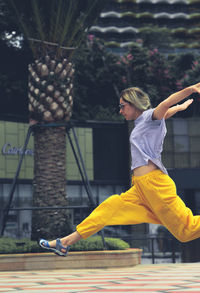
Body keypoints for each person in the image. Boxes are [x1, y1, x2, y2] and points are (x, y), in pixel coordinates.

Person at [39, 83, 200, 256]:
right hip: (139, 189)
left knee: (187, 231)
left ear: (134, 103)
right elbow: (166, 111)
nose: (120, 111)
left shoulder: (149, 117)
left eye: (123, 106)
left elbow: (164, 105)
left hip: (156, 186)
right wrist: (179, 107)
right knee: (108, 208)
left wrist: (191, 89)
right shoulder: (143, 122)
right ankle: (63, 243)